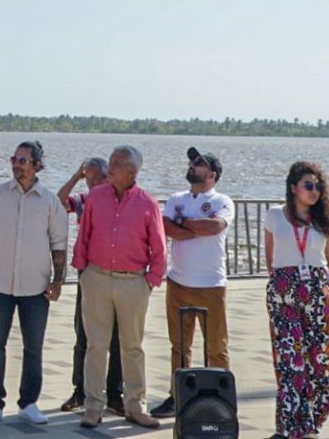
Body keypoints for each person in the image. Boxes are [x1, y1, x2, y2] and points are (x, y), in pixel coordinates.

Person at [70, 144, 166, 429]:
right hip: (96, 278)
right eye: (110, 162)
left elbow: (159, 248)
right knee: (95, 347)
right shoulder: (96, 197)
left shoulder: (147, 203)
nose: (108, 168)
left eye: (115, 164)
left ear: (131, 171)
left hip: (132, 283)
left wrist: (148, 283)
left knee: (132, 348)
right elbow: (84, 234)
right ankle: (93, 406)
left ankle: (135, 406)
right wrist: (83, 272)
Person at [0, 141, 67, 426]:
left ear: (37, 165)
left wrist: (58, 280)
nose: (17, 164)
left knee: (33, 346)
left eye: (23, 160)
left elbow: (59, 245)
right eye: (14, 159)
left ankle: (29, 403)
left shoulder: (50, 201)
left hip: (36, 287)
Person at [152, 147, 234, 419]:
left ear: (212, 174)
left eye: (197, 163)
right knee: (179, 346)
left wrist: (185, 224)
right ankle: (177, 397)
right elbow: (166, 227)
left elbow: (215, 227)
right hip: (178, 282)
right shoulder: (177, 198)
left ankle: (220, 400)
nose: (191, 165)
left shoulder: (223, 200)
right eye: (191, 162)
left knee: (216, 348)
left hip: (211, 285)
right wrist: (192, 227)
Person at [264, 161, 329, 439]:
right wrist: (288, 281)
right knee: (290, 361)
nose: (314, 191)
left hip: (318, 288)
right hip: (284, 289)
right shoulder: (274, 216)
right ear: (294, 187)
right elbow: (270, 258)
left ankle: (311, 423)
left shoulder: (326, 219)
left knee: (322, 362)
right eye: (308, 185)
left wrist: (310, 280)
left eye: (318, 186)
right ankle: (287, 427)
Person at [56, 157, 123, 415]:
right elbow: (59, 202)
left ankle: (114, 392)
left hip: (116, 273)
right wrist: (76, 177)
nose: (95, 184)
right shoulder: (84, 200)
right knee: (83, 335)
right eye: (90, 179)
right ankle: (80, 391)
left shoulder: (119, 200)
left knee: (117, 338)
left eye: (99, 179)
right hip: (88, 273)